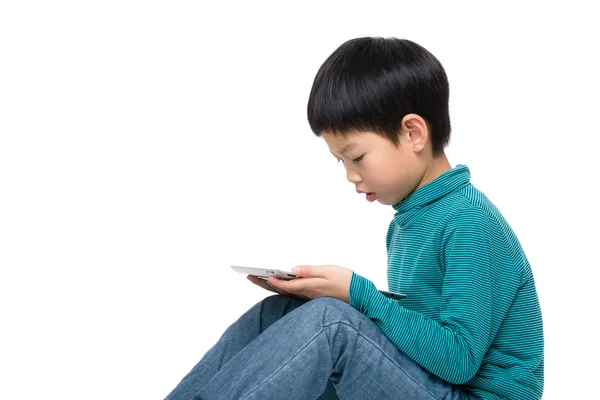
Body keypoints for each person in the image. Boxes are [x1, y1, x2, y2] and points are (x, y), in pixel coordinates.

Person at [165, 37, 544, 400]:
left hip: (466, 394)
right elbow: (415, 331)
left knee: (332, 323)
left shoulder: (468, 221)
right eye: (341, 162)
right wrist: (330, 293)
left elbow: (458, 360)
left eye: (357, 157)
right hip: (430, 383)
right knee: (281, 313)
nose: (351, 175)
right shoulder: (407, 223)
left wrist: (358, 297)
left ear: (413, 133)